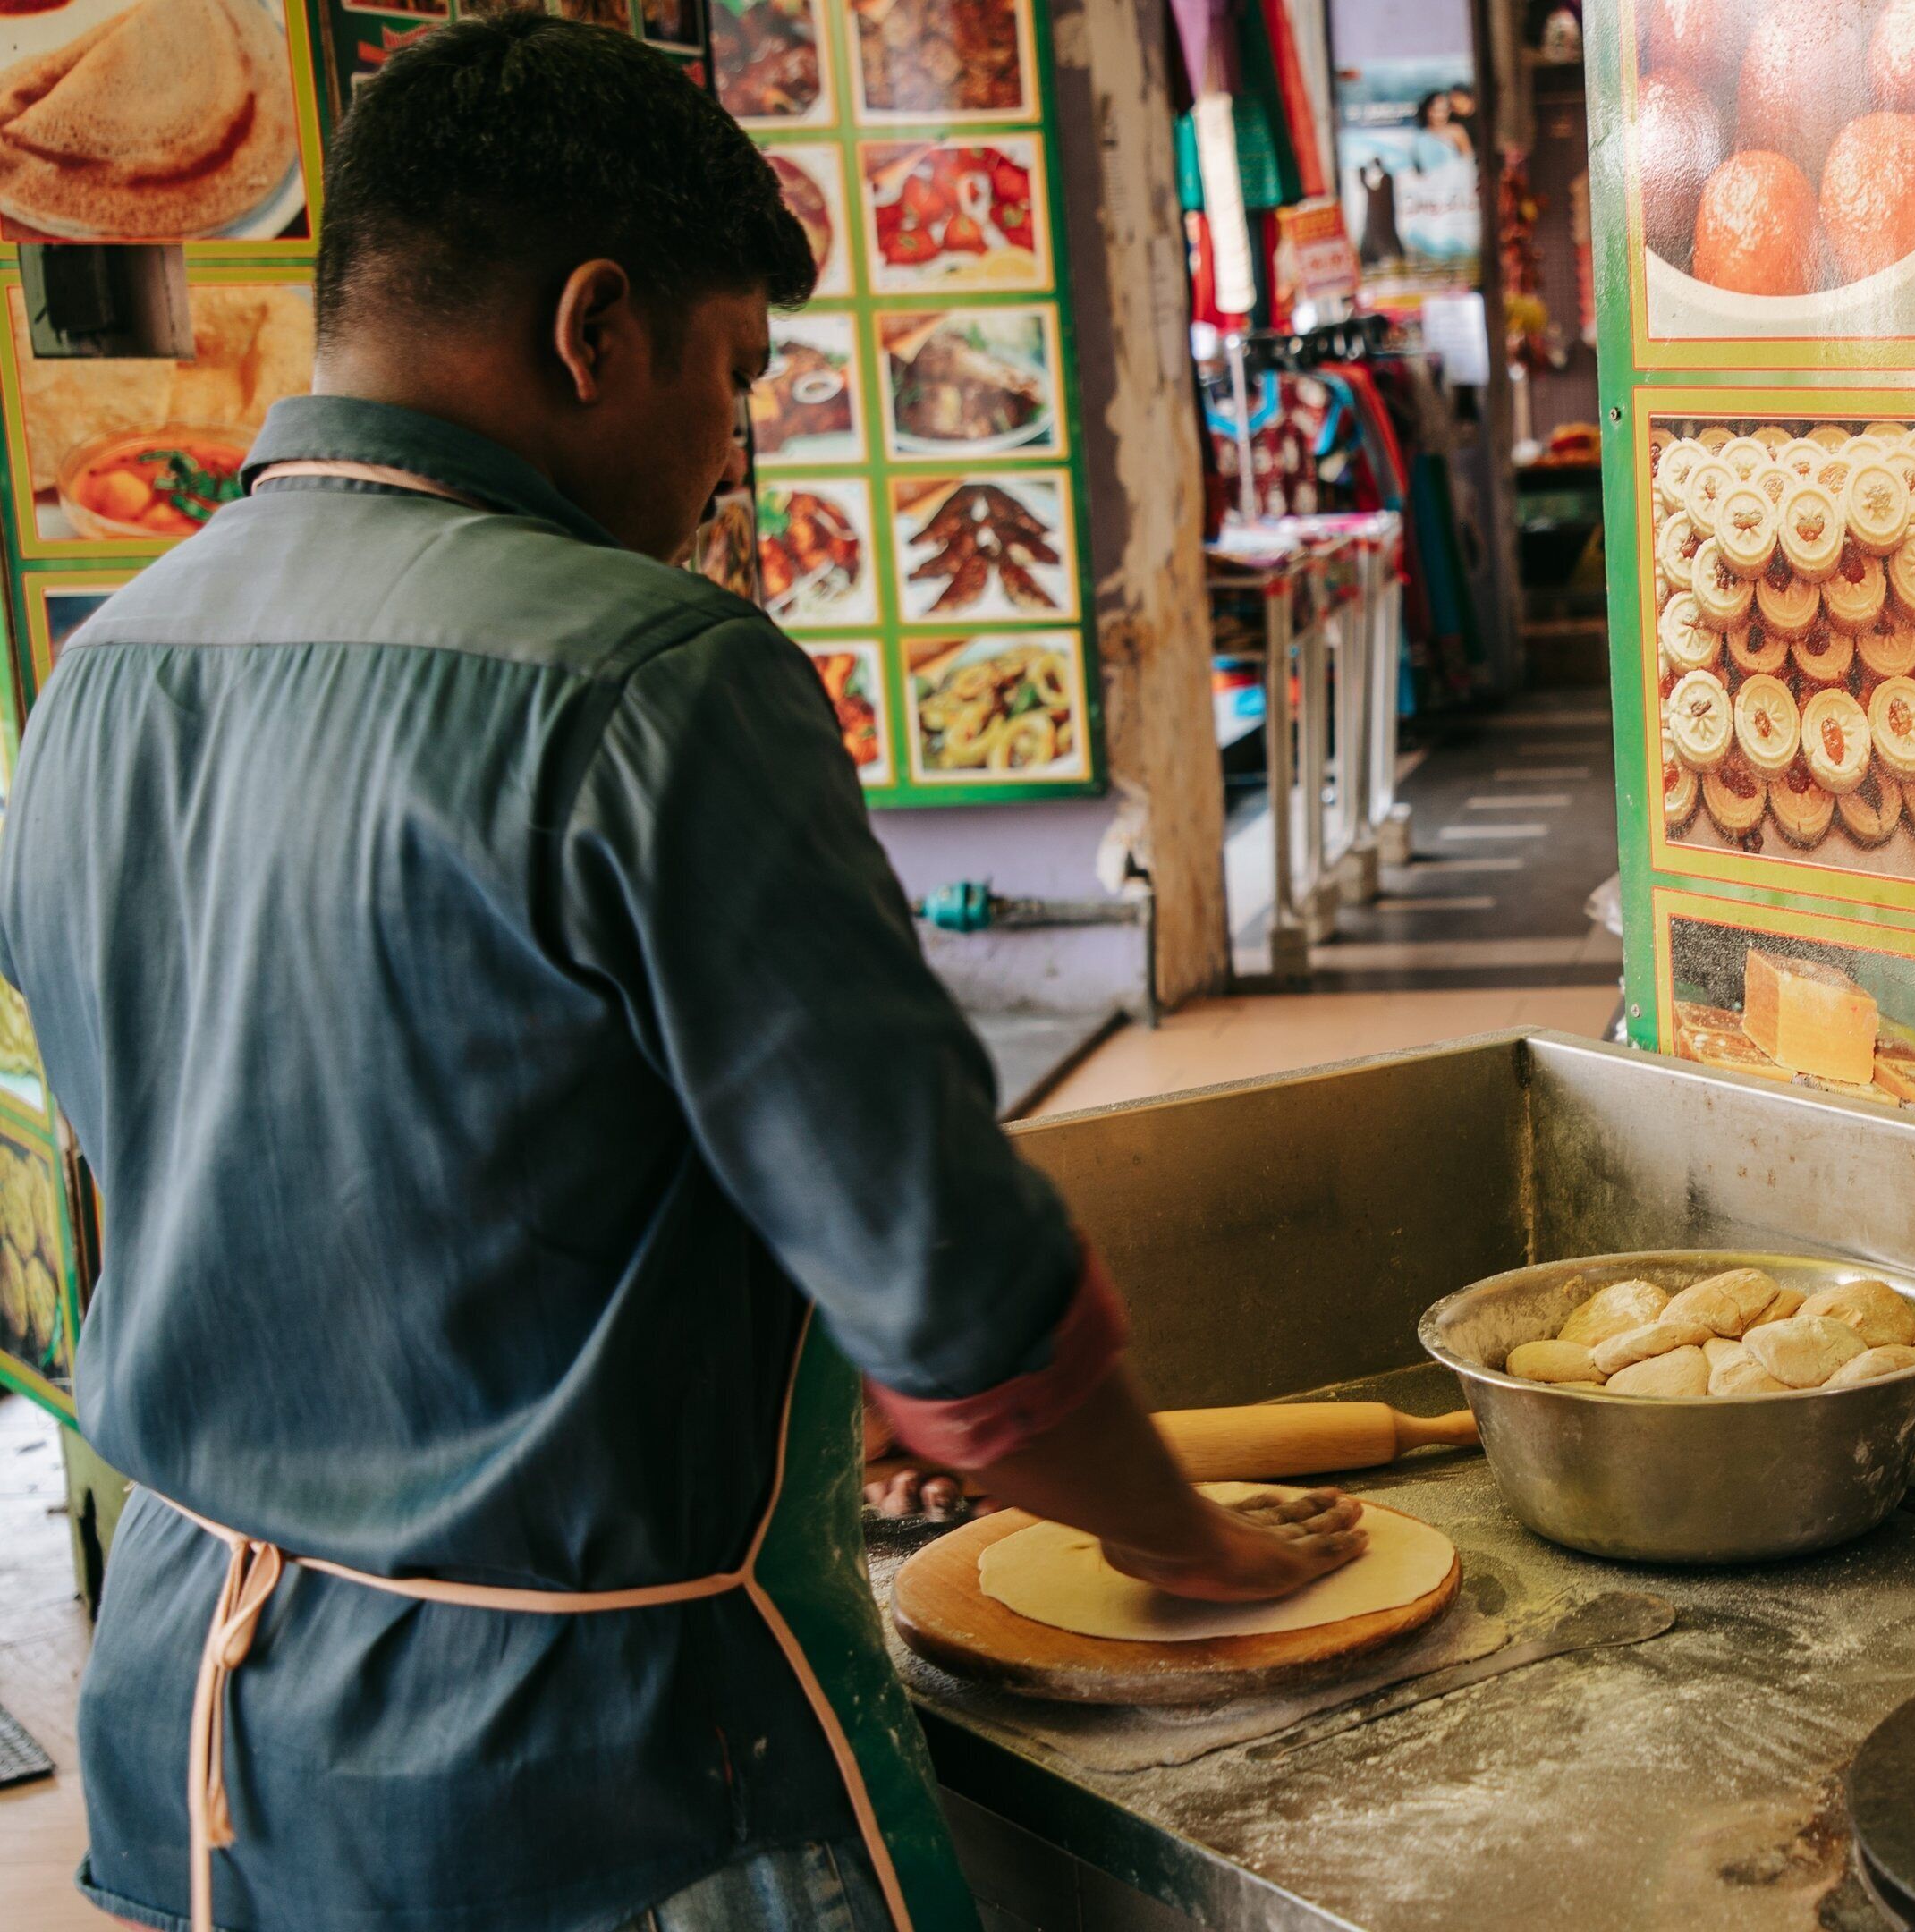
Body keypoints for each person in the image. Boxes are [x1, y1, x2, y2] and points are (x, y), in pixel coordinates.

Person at [0, 19, 1363, 1932]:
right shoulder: (654, 677)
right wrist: (1187, 1541)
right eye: (733, 382)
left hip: (202, 1755)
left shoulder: (106, 671)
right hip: (585, 1775)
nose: (730, 456)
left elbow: (328, 1167)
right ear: (593, 329)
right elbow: (944, 1271)